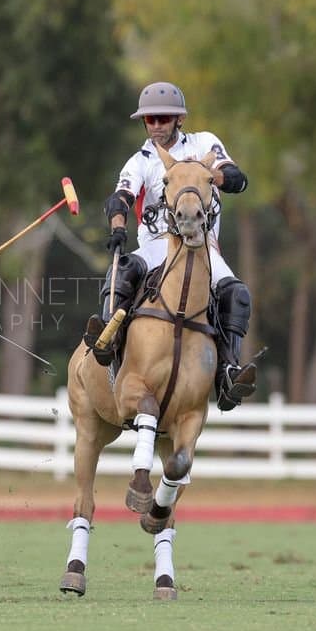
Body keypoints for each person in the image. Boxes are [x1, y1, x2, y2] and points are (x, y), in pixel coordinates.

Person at [101, 82, 258, 411]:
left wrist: (210, 176)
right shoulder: (142, 159)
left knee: (237, 293)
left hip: (204, 248)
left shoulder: (205, 143)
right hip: (158, 244)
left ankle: (227, 372)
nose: (156, 125)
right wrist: (118, 228)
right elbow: (121, 197)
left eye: (164, 118)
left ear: (179, 119)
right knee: (124, 268)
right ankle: (108, 337)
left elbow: (237, 179)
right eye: (150, 120)